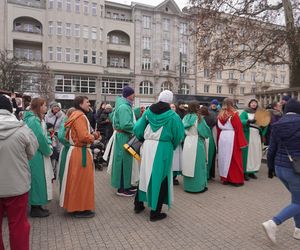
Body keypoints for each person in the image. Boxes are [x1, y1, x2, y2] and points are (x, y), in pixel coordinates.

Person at [133, 90, 184, 221]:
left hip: (148, 145)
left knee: (144, 174)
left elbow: (137, 128)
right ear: (170, 101)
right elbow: (179, 135)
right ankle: (155, 212)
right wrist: (171, 145)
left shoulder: (148, 112)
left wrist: (143, 139)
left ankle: (138, 205)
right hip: (163, 146)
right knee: (161, 177)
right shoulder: (173, 116)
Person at [0, 94, 38, 250]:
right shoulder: (23, 129)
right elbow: (31, 153)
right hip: (17, 185)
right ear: (10, 109)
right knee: (18, 225)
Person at [262, 98, 300, 244]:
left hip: (280, 167)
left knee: (297, 200)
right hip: (296, 169)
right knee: (298, 201)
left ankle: (298, 229)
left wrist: (270, 168)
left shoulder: (277, 124)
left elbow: (271, 150)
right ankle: (273, 223)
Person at [59, 96, 100, 218]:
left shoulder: (74, 115)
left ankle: (75, 207)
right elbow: (83, 137)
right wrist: (94, 136)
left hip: (75, 151)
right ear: (80, 104)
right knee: (82, 182)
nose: (89, 104)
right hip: (80, 152)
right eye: (87, 102)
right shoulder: (80, 117)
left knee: (76, 181)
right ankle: (80, 209)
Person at [23, 98, 54, 217]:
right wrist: (48, 150)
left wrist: (49, 143)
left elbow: (44, 135)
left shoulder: (36, 119)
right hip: (35, 154)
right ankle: (35, 207)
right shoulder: (34, 120)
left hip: (37, 153)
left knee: (39, 179)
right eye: (44, 105)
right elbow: (39, 139)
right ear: (39, 107)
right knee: (37, 179)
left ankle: (38, 205)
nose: (46, 108)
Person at [110, 86, 136, 197]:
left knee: (125, 161)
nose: (134, 96)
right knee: (123, 162)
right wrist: (136, 127)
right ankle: (122, 188)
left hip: (122, 136)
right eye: (133, 94)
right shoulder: (124, 107)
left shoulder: (121, 105)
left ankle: (126, 185)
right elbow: (125, 124)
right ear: (128, 95)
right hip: (124, 137)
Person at [217, 98, 248, 186]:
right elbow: (238, 129)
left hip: (223, 138)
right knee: (234, 158)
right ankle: (235, 180)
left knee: (223, 158)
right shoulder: (234, 114)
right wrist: (242, 142)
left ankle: (225, 179)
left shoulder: (220, 115)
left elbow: (218, 129)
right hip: (232, 137)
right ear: (232, 104)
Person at [182, 101, 210, 193]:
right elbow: (205, 132)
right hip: (197, 142)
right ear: (197, 108)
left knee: (188, 164)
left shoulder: (185, 117)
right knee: (198, 165)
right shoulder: (198, 118)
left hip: (188, 142)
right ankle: (198, 187)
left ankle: (188, 186)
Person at [240, 99, 268, 180]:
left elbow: (265, 124)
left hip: (256, 135)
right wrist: (247, 121)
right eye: (252, 103)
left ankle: (252, 172)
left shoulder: (260, 113)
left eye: (255, 103)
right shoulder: (245, 112)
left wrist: (262, 132)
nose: (253, 104)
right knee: (247, 154)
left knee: (255, 153)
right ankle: (245, 172)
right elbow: (240, 121)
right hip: (248, 135)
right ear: (249, 104)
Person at [57, 107, 76, 191]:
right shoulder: (66, 122)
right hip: (68, 151)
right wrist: (71, 143)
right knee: (66, 172)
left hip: (72, 150)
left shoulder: (70, 121)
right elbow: (61, 136)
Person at [200, 106, 217, 180]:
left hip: (202, 138)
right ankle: (209, 174)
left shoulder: (200, 118)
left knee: (203, 157)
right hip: (210, 137)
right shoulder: (212, 117)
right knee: (210, 157)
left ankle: (203, 174)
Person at [170, 103, 182, 185]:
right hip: (170, 142)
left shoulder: (177, 117)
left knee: (176, 161)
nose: (172, 108)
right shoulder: (167, 116)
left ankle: (174, 177)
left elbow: (180, 129)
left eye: (174, 107)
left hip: (176, 143)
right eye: (171, 107)